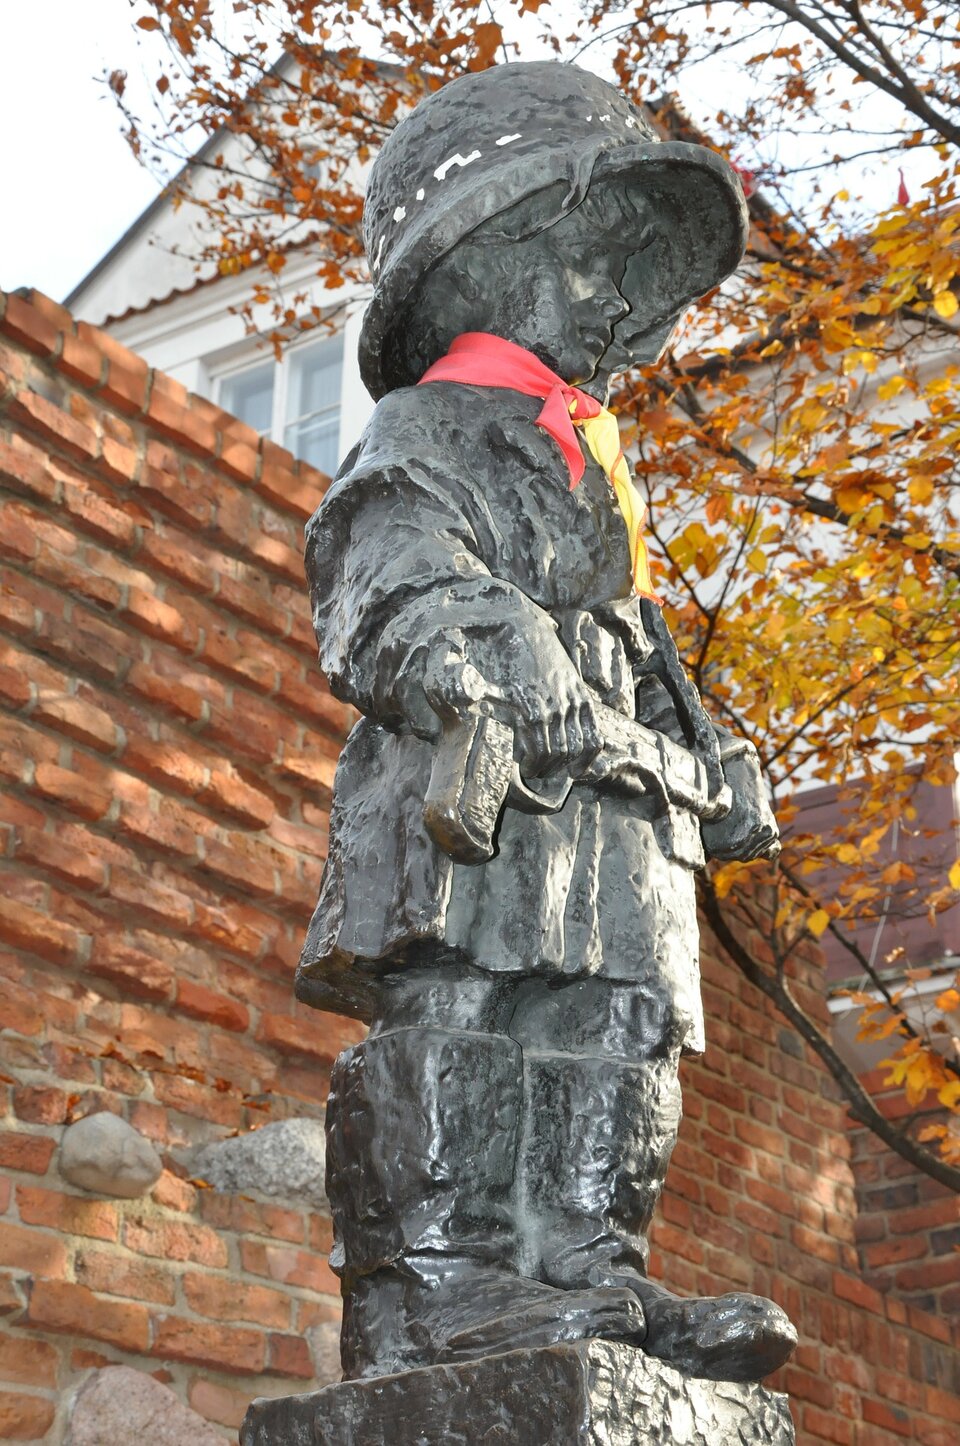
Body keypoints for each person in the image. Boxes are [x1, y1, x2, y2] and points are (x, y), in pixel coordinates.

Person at [297, 60, 797, 1385]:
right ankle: (436, 1285)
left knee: (622, 1022)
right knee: (463, 1004)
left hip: (618, 824)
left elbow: (636, 640)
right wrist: (490, 647)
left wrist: (708, 751)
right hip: (485, 792)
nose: (622, 303)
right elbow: (384, 567)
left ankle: (591, 1267)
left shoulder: (595, 463)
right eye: (597, 264)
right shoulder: (426, 429)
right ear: (487, 260)